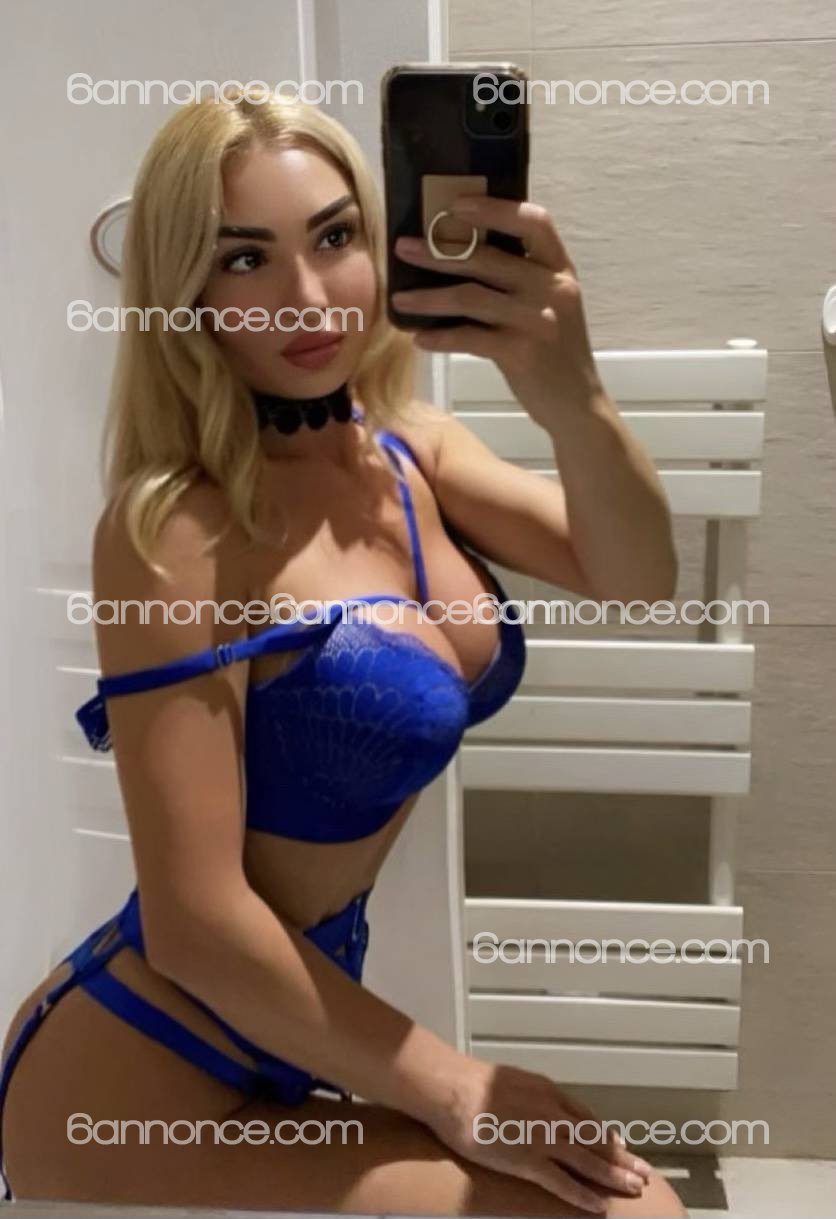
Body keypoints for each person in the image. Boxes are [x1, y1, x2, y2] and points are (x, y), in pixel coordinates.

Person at [0, 85, 683, 1216]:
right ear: (184, 292)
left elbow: (638, 579)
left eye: (334, 237)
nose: (309, 298)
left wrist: (572, 397)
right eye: (245, 259)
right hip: (136, 1075)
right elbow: (195, 925)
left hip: (290, 1039)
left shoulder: (410, 453)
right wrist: (456, 1087)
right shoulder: (175, 528)